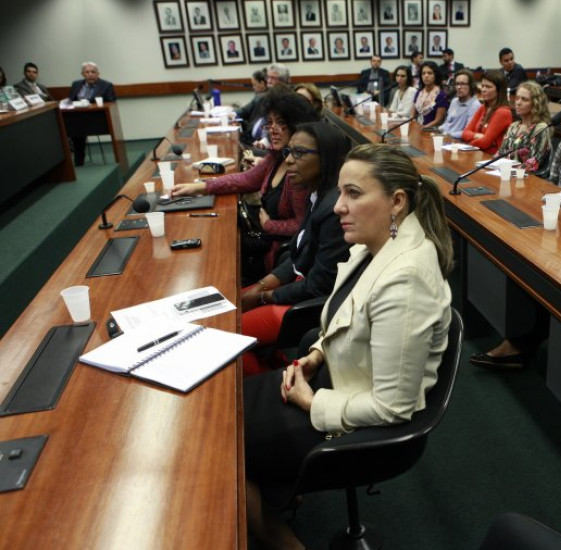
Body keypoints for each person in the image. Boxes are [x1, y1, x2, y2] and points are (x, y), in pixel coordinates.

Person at [243, 143, 453, 550]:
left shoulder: (406, 277)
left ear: (396, 201)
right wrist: (317, 354)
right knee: (227, 409)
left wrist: (310, 402)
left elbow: (394, 407)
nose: (338, 206)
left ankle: (275, 534)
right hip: (332, 379)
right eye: (340, 192)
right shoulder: (375, 246)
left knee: (224, 443)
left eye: (354, 194)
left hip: (358, 420)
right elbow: (344, 314)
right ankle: (274, 493)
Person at [238, 122, 354, 373]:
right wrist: (263, 284)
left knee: (228, 337)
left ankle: (267, 389)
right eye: (288, 152)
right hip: (296, 290)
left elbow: (318, 286)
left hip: (307, 307)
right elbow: (299, 254)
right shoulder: (316, 195)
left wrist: (263, 295)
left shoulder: (335, 209)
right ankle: (276, 365)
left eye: (299, 153)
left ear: (326, 158)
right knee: (229, 305)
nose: (289, 160)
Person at [172, 89, 320, 281]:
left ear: (296, 126)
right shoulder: (277, 156)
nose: (272, 129)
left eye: (281, 123)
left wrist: (269, 225)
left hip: (277, 255)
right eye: (270, 123)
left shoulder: (297, 171)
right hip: (262, 239)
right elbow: (246, 179)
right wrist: (200, 187)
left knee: (216, 259)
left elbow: (303, 226)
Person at [68, 62, 117, 166]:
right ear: (82, 74)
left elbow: (111, 102)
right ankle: (78, 162)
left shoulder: (106, 85)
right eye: (87, 72)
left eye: (93, 72)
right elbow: (70, 101)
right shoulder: (76, 84)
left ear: (98, 73)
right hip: (77, 119)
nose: (90, 74)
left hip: (97, 119)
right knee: (74, 130)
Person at [498, 81, 551, 173]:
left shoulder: (540, 128)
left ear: (536, 103)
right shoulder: (514, 126)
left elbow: (532, 165)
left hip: (527, 179)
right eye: (517, 98)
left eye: (524, 99)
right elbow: (501, 153)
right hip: (506, 173)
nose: (518, 102)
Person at [461, 70, 512, 154]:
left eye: (488, 87)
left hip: (491, 158)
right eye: (482, 86)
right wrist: (476, 135)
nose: (483, 89)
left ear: (499, 90)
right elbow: (465, 133)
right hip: (476, 153)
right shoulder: (483, 108)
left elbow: (485, 142)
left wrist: (468, 144)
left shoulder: (503, 112)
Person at [438, 69, 480, 139]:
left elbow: (467, 132)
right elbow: (447, 124)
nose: (459, 87)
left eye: (463, 84)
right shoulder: (454, 101)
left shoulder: (475, 105)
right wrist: (437, 129)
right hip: (446, 138)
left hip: (459, 143)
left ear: (471, 86)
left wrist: (447, 134)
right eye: (457, 84)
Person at [410, 61, 449, 129]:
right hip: (416, 128)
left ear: (435, 75)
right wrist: (414, 125)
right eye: (423, 73)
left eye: (430, 73)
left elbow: (438, 120)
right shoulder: (419, 92)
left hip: (431, 131)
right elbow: (412, 114)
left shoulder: (441, 95)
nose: (426, 76)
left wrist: (424, 127)